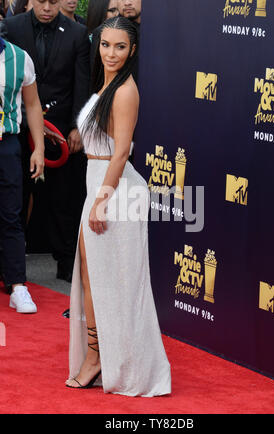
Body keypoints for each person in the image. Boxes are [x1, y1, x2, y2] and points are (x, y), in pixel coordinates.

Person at [66, 17, 171, 397]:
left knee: (114, 284)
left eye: (120, 47)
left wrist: (102, 201)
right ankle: (100, 356)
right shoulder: (108, 84)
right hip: (100, 185)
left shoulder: (126, 91)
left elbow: (122, 151)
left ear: (132, 50)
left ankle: (101, 361)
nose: (111, 53)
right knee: (96, 281)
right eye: (106, 44)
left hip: (114, 192)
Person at [2, 0, 90, 282]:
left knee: (64, 200)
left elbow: (82, 82)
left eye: (54, 1)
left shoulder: (77, 33)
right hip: (19, 129)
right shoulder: (12, 28)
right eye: (42, 1)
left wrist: (78, 126)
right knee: (14, 201)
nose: (48, 7)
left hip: (62, 130)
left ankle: (66, 263)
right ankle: (11, 269)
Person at [0, 36, 44, 313]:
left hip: (7, 145)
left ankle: (18, 286)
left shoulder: (20, 57)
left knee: (10, 214)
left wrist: (39, 148)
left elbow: (33, 104)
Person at [88, 0, 119, 68]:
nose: (117, 14)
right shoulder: (86, 42)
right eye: (112, 10)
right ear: (99, 11)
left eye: (118, 10)